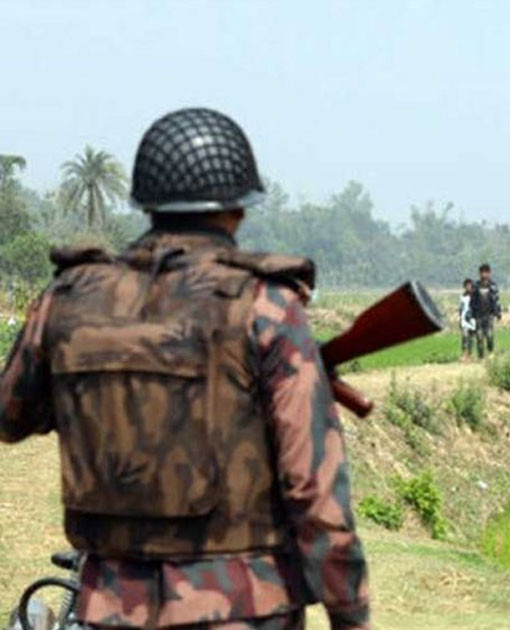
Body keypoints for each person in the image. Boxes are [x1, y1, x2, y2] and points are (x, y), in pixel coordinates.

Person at [0, 108, 371, 629]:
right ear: (238, 210)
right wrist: (350, 617)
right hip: (244, 611)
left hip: (112, 610)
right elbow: (317, 497)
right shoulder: (265, 309)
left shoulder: (66, 301)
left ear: (146, 204)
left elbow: (10, 417)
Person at [471, 263, 501, 359]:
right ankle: (480, 356)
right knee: (479, 337)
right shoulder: (475, 286)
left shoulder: (493, 286)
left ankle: (491, 353)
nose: (484, 275)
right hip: (478, 315)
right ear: (479, 274)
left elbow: (496, 300)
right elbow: (472, 301)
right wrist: (471, 314)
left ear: (489, 273)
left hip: (489, 315)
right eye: (482, 273)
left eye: (486, 272)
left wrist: (498, 313)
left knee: (489, 335)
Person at [459, 278, 476, 362]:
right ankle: (464, 354)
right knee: (464, 337)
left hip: (472, 319)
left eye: (469, 285)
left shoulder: (475, 296)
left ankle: (470, 355)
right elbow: (461, 308)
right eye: (466, 286)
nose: (468, 287)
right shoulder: (462, 296)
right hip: (464, 320)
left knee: (471, 339)